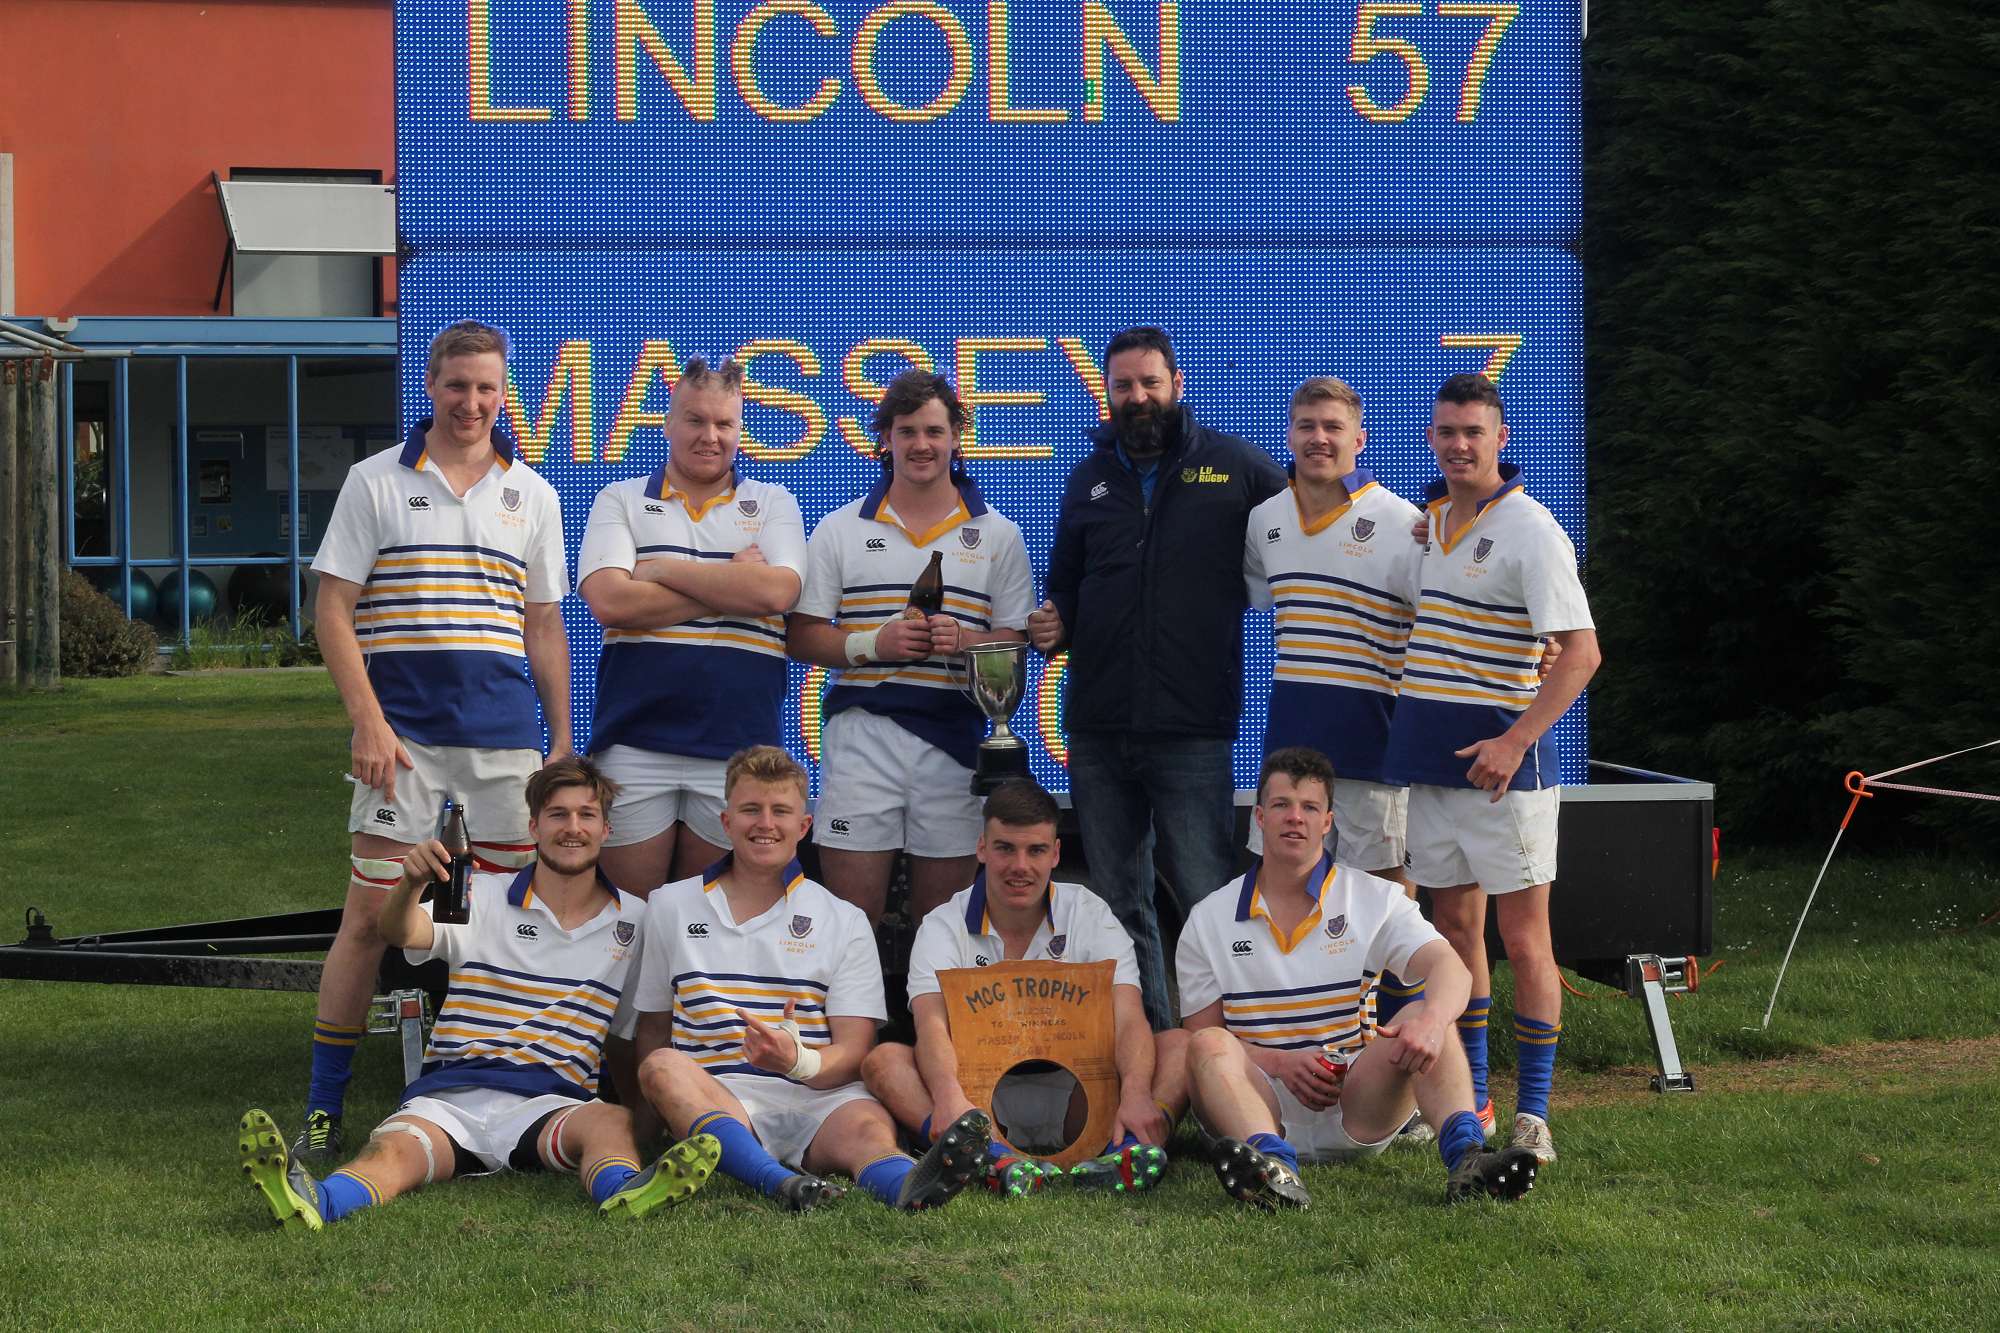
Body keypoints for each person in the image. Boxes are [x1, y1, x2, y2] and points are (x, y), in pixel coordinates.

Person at [296, 319, 571, 1164]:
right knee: (367, 922)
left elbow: (543, 625)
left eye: (487, 387)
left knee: (500, 924)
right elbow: (332, 609)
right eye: (457, 385)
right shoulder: (375, 480)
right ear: (430, 385)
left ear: (504, 393)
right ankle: (323, 1109)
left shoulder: (534, 492)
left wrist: (562, 739)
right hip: (405, 746)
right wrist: (368, 720)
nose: (471, 402)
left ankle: (495, 1089)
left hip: (503, 749)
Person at [237, 757, 720, 1230]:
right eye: (558, 814)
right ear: (533, 827)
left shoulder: (634, 921)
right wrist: (410, 883)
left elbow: (625, 1034)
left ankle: (624, 1191)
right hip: (452, 1094)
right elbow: (399, 931)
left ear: (606, 829)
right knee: (393, 1149)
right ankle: (316, 1200)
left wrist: (645, 1121)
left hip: (550, 1101)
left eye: (586, 815)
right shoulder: (481, 894)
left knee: (609, 1123)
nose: (572, 828)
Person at [1027, 327, 1287, 1031]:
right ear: (1108, 394)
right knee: (1119, 905)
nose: (1137, 397)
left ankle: (1227, 1056)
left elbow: (1317, 514)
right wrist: (1055, 622)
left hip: (1192, 728)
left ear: (1177, 384)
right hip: (1098, 729)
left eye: (1150, 383)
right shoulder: (1089, 477)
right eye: (1123, 386)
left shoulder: (1234, 466)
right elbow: (1066, 587)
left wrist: (1405, 522)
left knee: (1208, 901)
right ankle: (1155, 1052)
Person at [1382, 373, 1602, 1165]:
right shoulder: (1431, 521)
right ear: (1431, 438)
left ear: (1501, 439)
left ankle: (1534, 1116)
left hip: (1505, 772)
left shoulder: (1533, 530)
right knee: (1453, 930)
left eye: (1473, 431)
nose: (1459, 444)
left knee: (1526, 939)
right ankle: (1472, 1099)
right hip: (1432, 764)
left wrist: (1515, 741)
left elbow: (1581, 654)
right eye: (1446, 431)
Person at [627, 745, 992, 1211]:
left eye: (780, 811)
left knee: (868, 1130)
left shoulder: (844, 918)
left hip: (819, 1097)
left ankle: (907, 1186)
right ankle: (780, 1183)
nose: (765, 824)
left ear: (804, 826)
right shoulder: (669, 905)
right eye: (751, 810)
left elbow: (856, 1050)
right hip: (719, 1098)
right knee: (661, 1065)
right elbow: (653, 1028)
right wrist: (645, 1128)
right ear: (726, 822)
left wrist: (796, 1061)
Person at [1177, 747, 1540, 1208]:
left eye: (1310, 807)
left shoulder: (1373, 897)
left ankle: (1468, 1158)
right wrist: (1280, 1063)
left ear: (1328, 822)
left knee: (1425, 1014)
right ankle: (1271, 1169)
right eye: (1282, 804)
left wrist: (1431, 1022)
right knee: (1207, 1044)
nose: (1295, 818)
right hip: (1253, 1104)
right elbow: (1200, 1038)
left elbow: (1449, 966)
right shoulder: (1208, 918)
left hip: (1355, 1107)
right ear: (1259, 818)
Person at [787, 370, 1034, 926]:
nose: (921, 444)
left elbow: (1015, 644)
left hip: (954, 742)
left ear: (956, 437)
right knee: (850, 923)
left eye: (934, 431)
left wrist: (965, 641)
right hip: (861, 737)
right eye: (907, 431)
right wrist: (873, 643)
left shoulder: (999, 534)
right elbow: (801, 634)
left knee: (942, 926)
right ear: (886, 438)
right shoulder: (839, 528)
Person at [860, 781, 1185, 1197]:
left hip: (1080, 1092)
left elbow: (1128, 1017)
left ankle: (1127, 1151)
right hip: (978, 1098)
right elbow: (931, 1026)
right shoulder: (943, 924)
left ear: (1055, 854)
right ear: (981, 848)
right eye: (1005, 848)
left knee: (1179, 1046)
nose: (1020, 866)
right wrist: (949, 1098)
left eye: (1035, 850)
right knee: (885, 1061)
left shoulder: (1089, 913)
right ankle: (988, 1157)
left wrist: (1136, 1094)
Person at [1243, 376, 1433, 1087]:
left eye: (1332, 427)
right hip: (1292, 755)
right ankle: (1308, 1066)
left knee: (1390, 915)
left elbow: (1439, 624)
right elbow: (1261, 600)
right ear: (1289, 434)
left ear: (1360, 439)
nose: (1318, 438)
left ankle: (1401, 1079)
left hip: (1374, 749)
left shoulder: (1402, 523)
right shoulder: (1264, 520)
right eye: (1306, 425)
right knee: (1290, 908)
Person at [577, 355, 807, 896]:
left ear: (740, 429)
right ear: (667, 423)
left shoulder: (773, 502)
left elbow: (777, 592)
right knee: (628, 918)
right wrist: (731, 581)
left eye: (724, 423)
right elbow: (611, 601)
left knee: (712, 923)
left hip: (738, 744)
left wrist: (661, 572)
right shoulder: (621, 498)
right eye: (695, 420)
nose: (710, 436)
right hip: (635, 740)